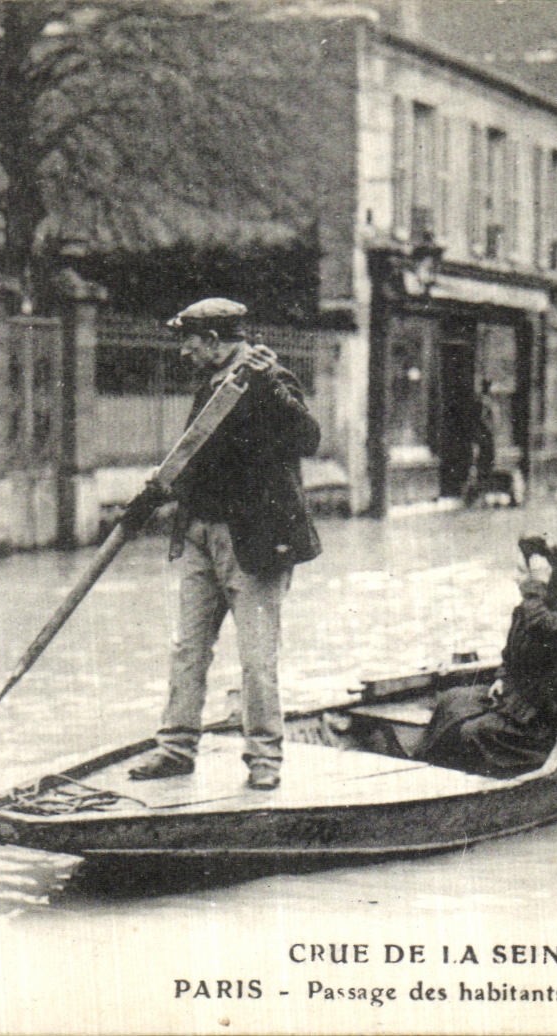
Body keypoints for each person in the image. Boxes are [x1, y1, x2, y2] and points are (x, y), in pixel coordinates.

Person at [127, 297, 322, 791]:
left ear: (214, 341)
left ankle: (263, 759)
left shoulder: (269, 377)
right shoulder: (209, 384)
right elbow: (199, 451)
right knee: (188, 648)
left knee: (257, 656)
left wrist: (269, 387)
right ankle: (174, 748)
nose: (184, 355)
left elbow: (308, 437)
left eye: (190, 345)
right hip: (199, 534)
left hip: (254, 541)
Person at [416, 536, 557, 778]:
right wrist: (502, 678)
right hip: (515, 698)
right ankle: (426, 766)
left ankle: (485, 778)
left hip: (547, 714)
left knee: (474, 731)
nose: (515, 577)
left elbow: (543, 625)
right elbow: (509, 656)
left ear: (542, 579)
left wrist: (537, 584)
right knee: (452, 702)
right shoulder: (524, 612)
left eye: (520, 571)